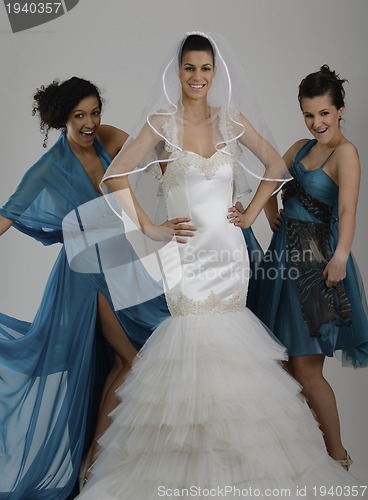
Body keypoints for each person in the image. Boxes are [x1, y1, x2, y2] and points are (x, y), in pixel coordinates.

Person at [70, 34, 367, 499]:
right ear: (179, 72)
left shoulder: (231, 121)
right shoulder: (161, 122)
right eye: (190, 68)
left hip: (229, 255)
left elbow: (274, 165)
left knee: (234, 355)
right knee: (190, 346)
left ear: (215, 72)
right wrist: (150, 227)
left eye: (205, 68)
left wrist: (251, 214)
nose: (198, 77)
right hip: (187, 257)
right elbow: (116, 175)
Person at [0, 76, 186, 499]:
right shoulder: (48, 167)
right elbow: (5, 218)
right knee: (130, 359)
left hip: (121, 265)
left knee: (131, 357)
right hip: (84, 277)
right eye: (78, 116)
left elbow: (154, 144)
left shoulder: (106, 137)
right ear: (61, 119)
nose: (89, 123)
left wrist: (169, 175)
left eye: (94, 112)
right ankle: (93, 470)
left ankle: (100, 465)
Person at [254, 65, 368, 470]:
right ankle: (304, 455)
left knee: (306, 366)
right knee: (281, 365)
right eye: (308, 114)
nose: (316, 122)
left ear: (339, 110)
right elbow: (269, 179)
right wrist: (269, 214)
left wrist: (340, 258)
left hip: (317, 268)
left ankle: (338, 457)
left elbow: (349, 209)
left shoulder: (346, 153)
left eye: (323, 113)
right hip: (281, 264)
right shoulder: (300, 147)